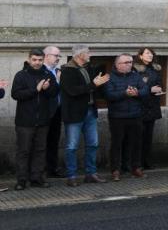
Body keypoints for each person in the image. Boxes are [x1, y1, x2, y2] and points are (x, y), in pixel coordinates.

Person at [60, 45, 109, 186]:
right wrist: (93, 84)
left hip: (90, 112)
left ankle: (91, 173)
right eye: (87, 52)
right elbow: (73, 91)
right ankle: (71, 176)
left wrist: (99, 84)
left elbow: (94, 88)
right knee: (72, 146)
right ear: (79, 55)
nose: (90, 54)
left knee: (93, 144)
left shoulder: (89, 68)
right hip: (74, 114)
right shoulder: (67, 71)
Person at [12, 48, 60, 190]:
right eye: (34, 60)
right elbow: (16, 94)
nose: (37, 62)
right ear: (29, 59)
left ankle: (37, 178)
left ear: (43, 59)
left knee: (40, 150)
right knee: (24, 151)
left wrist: (48, 88)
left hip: (43, 121)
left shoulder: (47, 74)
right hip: (25, 121)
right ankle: (21, 180)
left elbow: (55, 93)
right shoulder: (21, 75)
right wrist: (36, 89)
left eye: (40, 60)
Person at [105, 54, 149, 181]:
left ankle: (135, 168)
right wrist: (124, 93)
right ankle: (115, 170)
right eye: (126, 62)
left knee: (136, 143)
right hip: (117, 116)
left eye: (130, 62)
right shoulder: (110, 78)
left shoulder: (136, 76)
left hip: (135, 115)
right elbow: (109, 95)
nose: (130, 64)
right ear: (118, 64)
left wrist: (137, 93)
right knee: (117, 144)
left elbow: (145, 90)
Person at [134, 47, 163, 170]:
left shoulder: (156, 69)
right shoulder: (135, 70)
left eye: (151, 53)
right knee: (139, 136)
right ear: (140, 56)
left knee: (148, 137)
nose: (150, 55)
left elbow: (158, 83)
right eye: (147, 53)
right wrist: (150, 90)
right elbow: (136, 87)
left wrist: (159, 89)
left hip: (153, 105)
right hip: (140, 106)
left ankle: (147, 161)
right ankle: (137, 163)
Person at [42, 45, 62, 180]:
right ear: (47, 56)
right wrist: (58, 81)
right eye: (56, 56)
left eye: (59, 56)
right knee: (41, 142)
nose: (58, 58)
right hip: (44, 112)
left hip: (58, 111)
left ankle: (52, 168)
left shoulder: (58, 71)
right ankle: (40, 170)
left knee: (54, 141)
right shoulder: (41, 71)